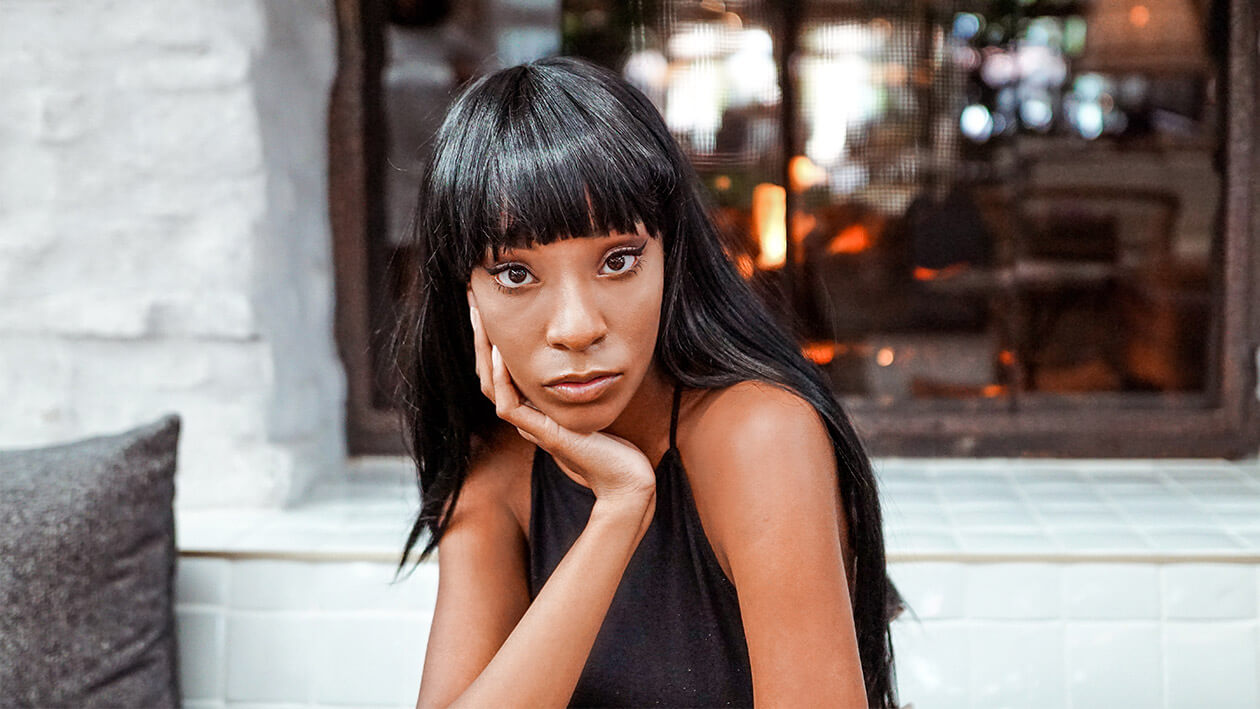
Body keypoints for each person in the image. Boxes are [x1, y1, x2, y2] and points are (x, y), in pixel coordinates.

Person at [390, 55, 901, 708]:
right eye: (516, 274)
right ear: (467, 294)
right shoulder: (498, 474)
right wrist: (618, 510)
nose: (576, 327)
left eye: (619, 259)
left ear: (670, 259)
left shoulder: (759, 437)